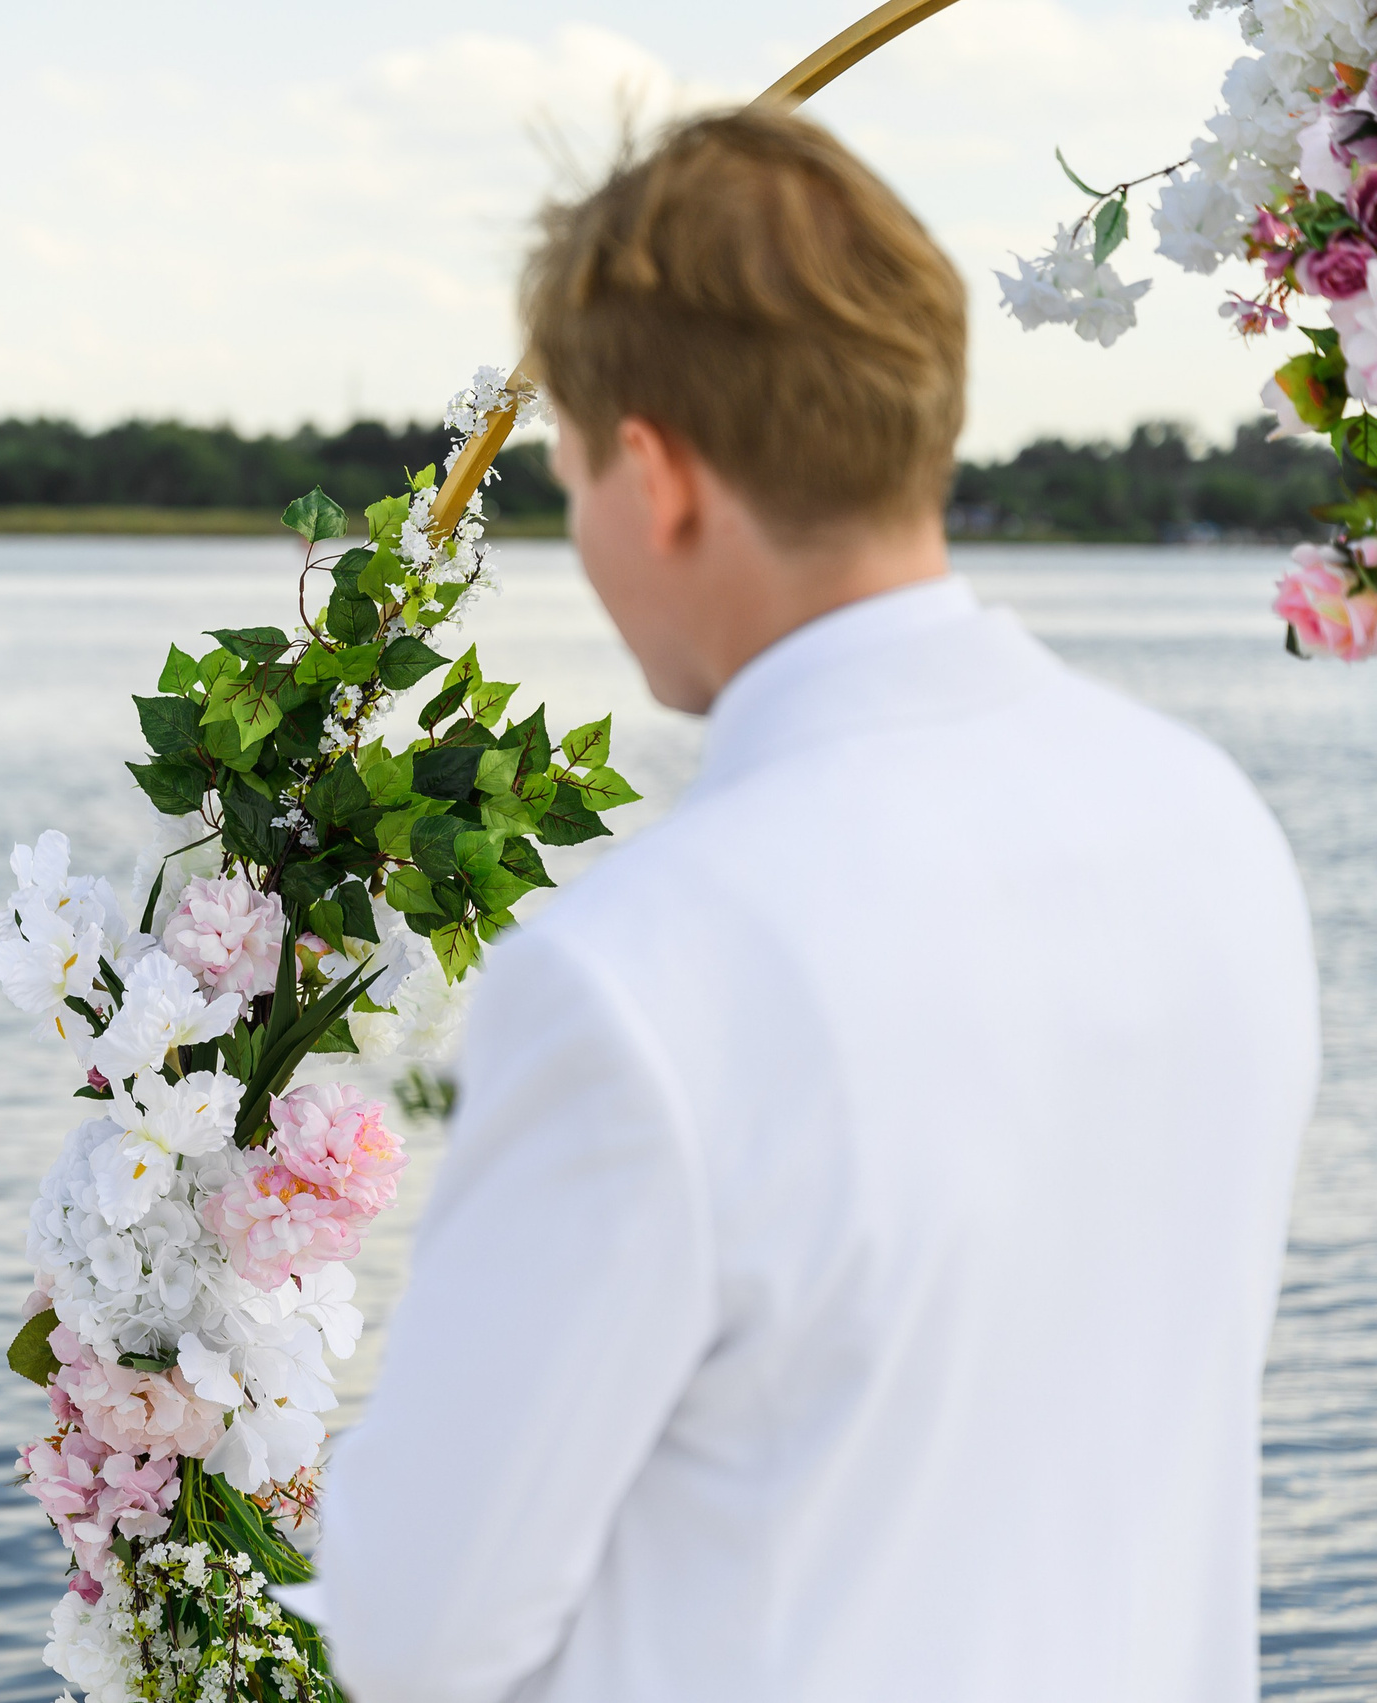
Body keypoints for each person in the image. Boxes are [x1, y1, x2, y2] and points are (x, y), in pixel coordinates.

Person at [311, 111, 1320, 1703]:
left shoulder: (633, 978)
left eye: (569, 472)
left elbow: (410, 1634)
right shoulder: (1215, 828)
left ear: (654, 475)